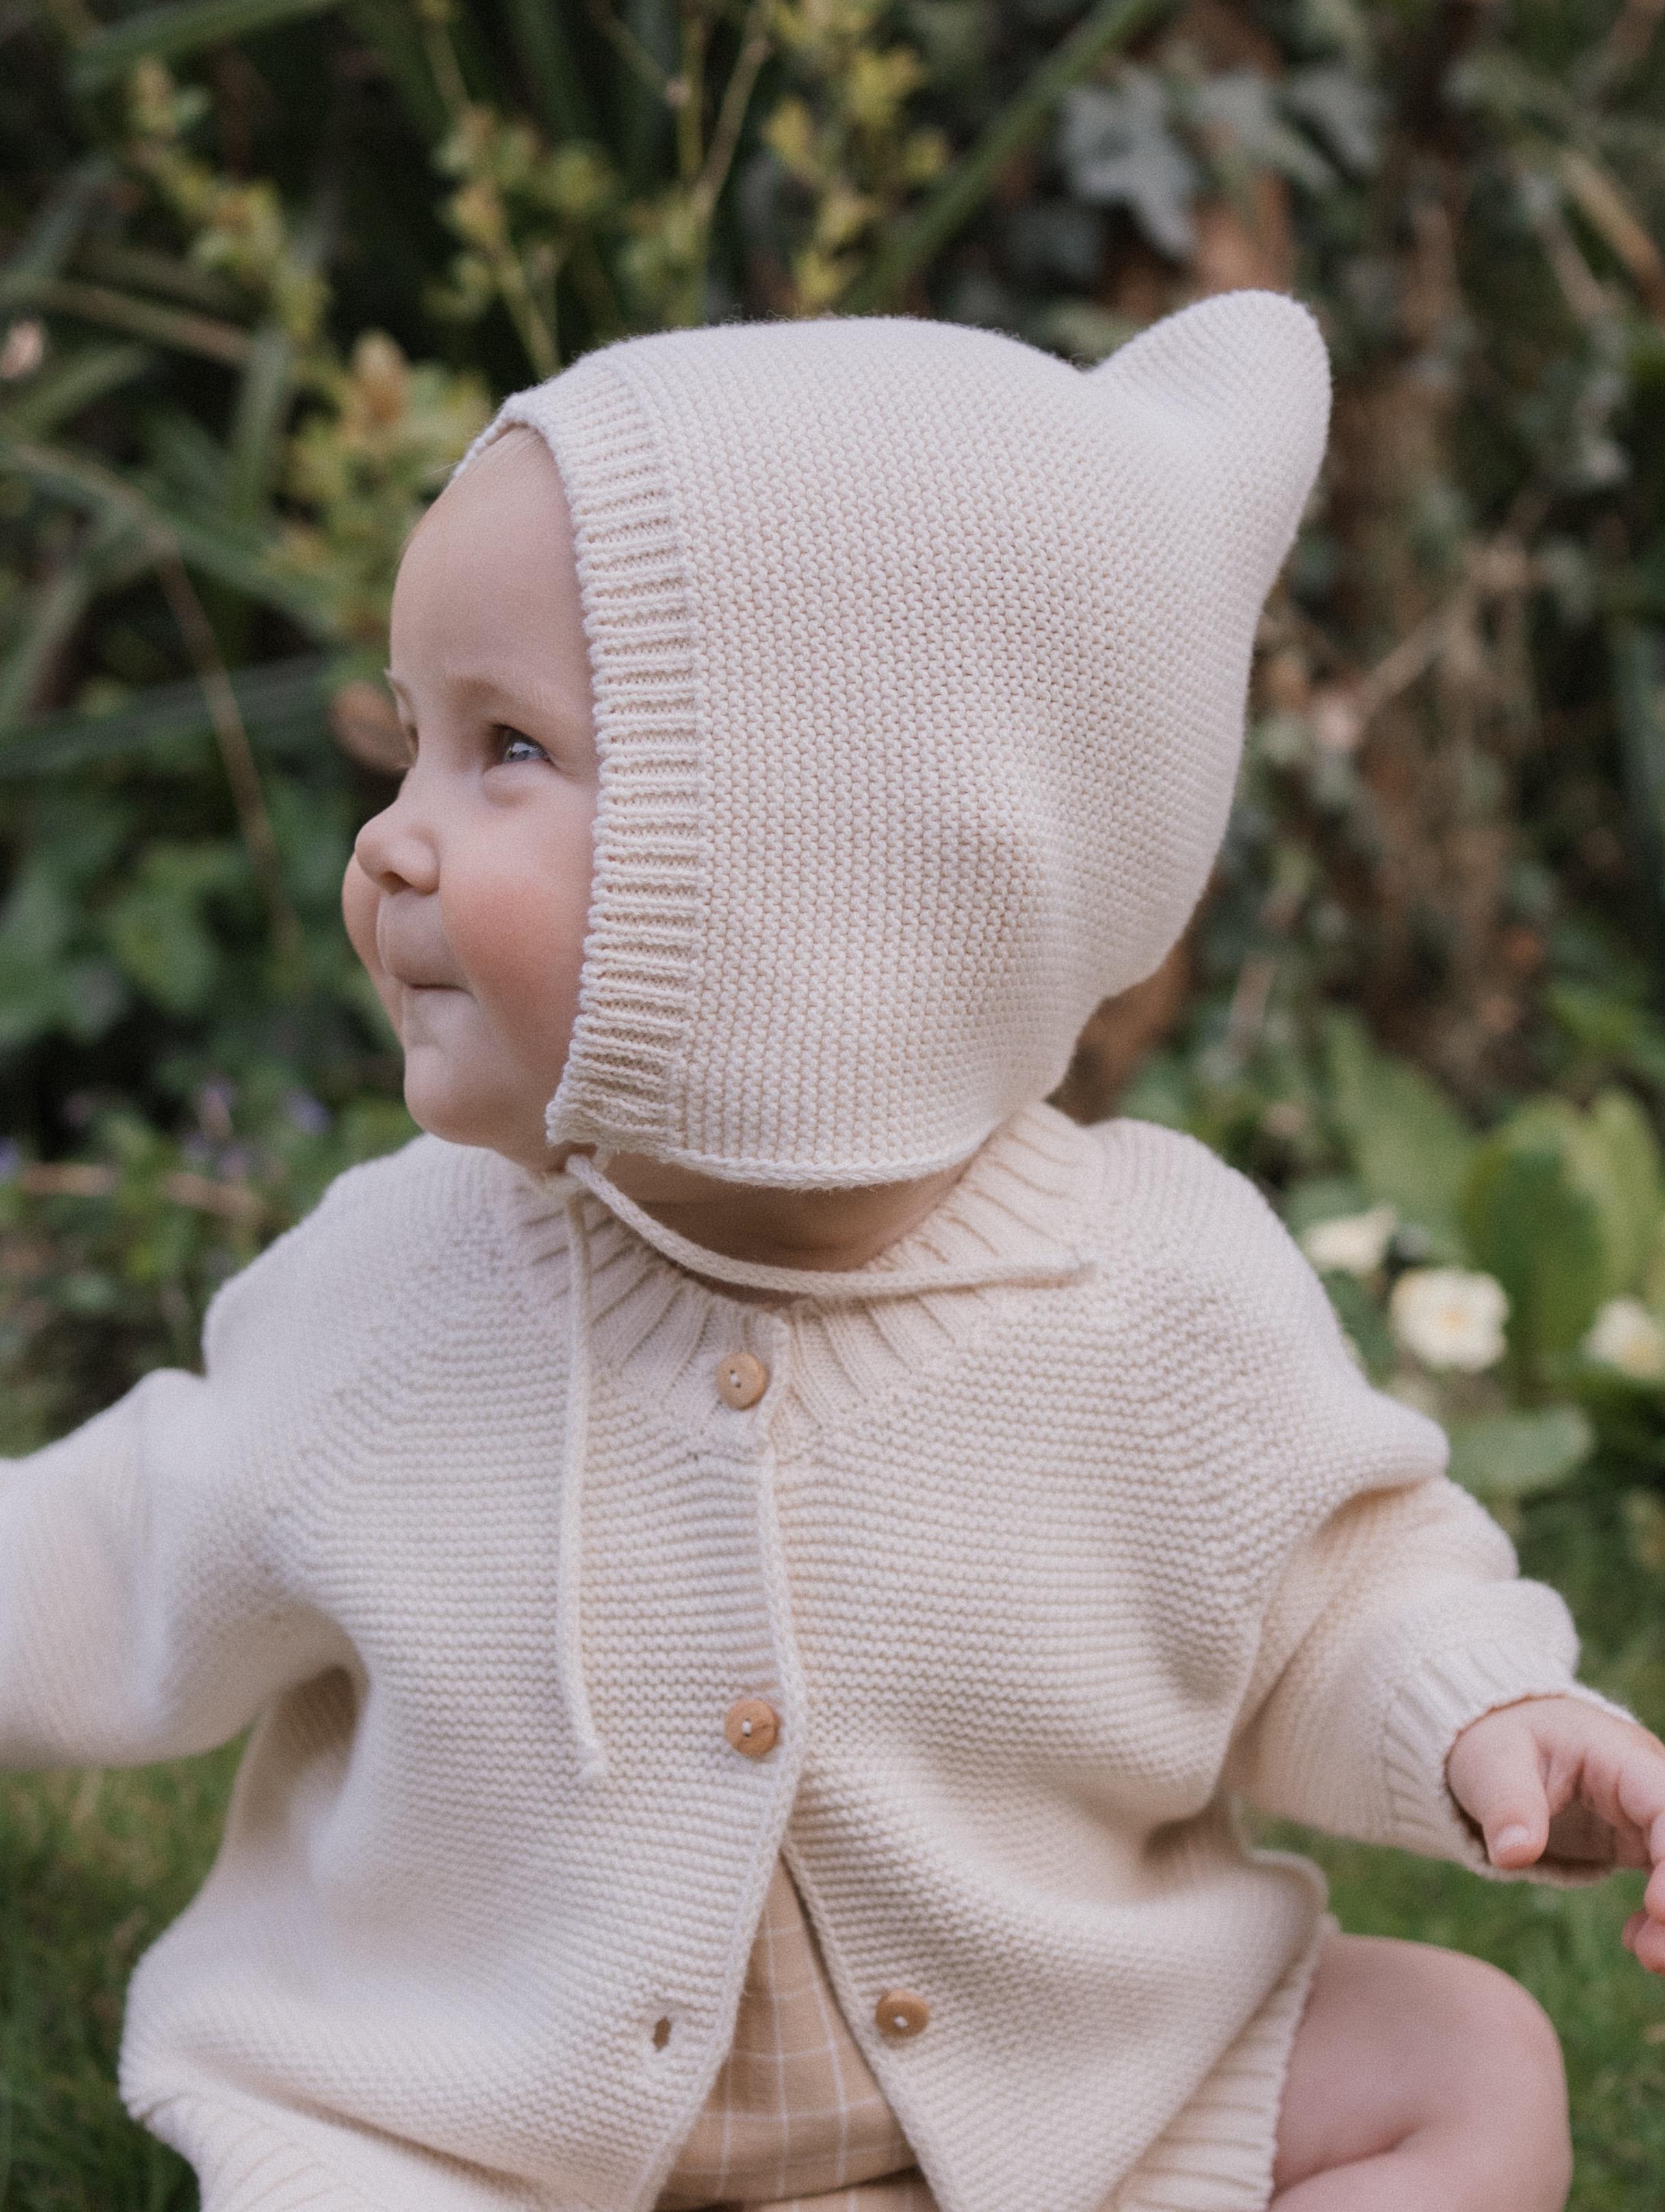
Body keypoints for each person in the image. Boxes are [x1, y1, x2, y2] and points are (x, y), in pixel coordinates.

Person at [5, 295, 1665, 2212]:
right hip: (480, 2140)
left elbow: (1331, 1601)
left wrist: (1482, 1715)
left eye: (508, 749)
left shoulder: (1151, 1299)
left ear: (834, 860)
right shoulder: (405, 1294)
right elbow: (110, 1553)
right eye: (416, 745)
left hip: (1070, 2103)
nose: (393, 843)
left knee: (1465, 2063)